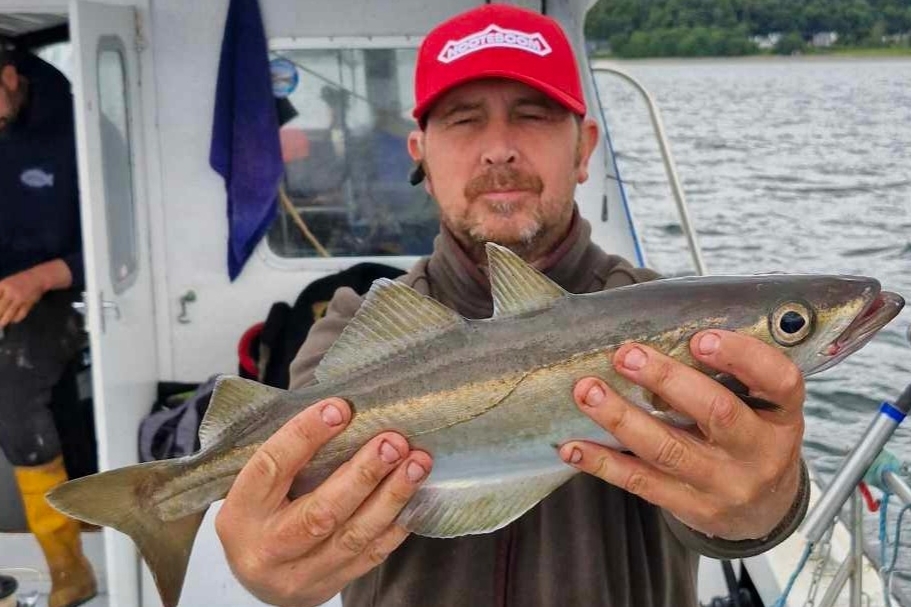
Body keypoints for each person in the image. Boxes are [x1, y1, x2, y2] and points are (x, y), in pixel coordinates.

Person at [215, 5, 810, 606]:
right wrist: (271, 565)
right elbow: (294, 521)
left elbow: (731, 504)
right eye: (464, 119)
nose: (498, 149)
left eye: (533, 115)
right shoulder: (350, 329)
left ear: (585, 147)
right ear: (419, 152)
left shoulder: (680, 327)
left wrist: (764, 503)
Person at [0, 45, 97, 607]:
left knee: (14, 397)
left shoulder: (78, 127)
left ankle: (69, 567)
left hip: (68, 293)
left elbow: (115, 245)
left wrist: (39, 278)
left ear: (10, 75)